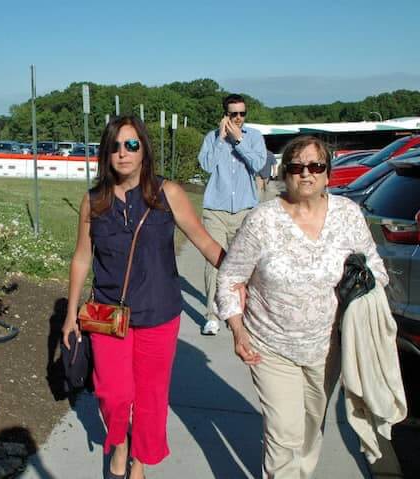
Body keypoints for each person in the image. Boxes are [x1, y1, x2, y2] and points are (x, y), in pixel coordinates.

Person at [215, 135, 388, 478]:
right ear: (285, 174)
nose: (305, 173)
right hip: (271, 345)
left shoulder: (348, 216)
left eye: (315, 166)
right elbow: (230, 276)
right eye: (296, 167)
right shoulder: (262, 220)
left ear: (327, 174)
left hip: (328, 348)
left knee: (311, 429)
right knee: (284, 434)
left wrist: (364, 297)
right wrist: (237, 329)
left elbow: (376, 271)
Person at [62, 116, 224, 479]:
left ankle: (137, 461)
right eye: (116, 146)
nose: (123, 153)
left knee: (150, 399)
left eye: (131, 145)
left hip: (159, 312)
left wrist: (241, 273)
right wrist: (70, 314)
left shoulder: (168, 193)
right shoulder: (94, 201)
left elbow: (203, 241)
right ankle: (119, 442)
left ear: (143, 150)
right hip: (107, 315)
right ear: (106, 153)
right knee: (114, 394)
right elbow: (81, 257)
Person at [198, 93, 267, 335]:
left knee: (244, 264)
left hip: (245, 210)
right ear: (225, 114)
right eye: (233, 114)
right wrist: (221, 140)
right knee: (214, 262)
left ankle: (242, 311)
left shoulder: (254, 138)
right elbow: (206, 165)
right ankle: (212, 315)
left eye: (242, 114)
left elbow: (259, 165)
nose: (238, 118)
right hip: (215, 209)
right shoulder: (212, 138)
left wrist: (239, 142)